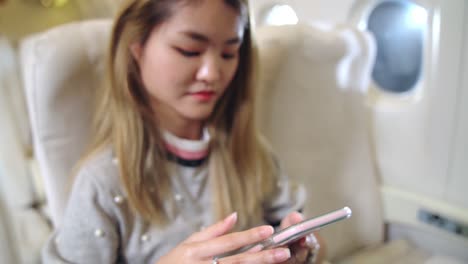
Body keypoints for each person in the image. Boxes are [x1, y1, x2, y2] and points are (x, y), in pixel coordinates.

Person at [42, 0, 325, 263]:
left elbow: (308, 234)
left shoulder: (253, 156)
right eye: (189, 51)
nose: (212, 74)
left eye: (228, 53)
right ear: (136, 47)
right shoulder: (102, 183)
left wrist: (301, 250)